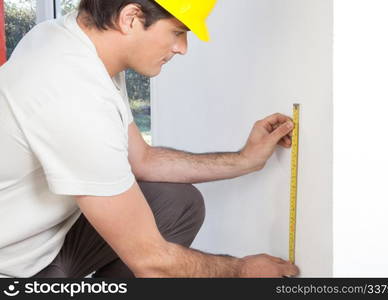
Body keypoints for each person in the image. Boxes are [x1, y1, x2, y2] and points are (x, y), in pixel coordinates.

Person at [0, 0, 299, 278]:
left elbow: (142, 160)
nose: (182, 48)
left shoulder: (74, 41)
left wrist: (245, 160)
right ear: (130, 18)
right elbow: (149, 260)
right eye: (177, 32)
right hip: (15, 269)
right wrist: (242, 271)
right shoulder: (72, 92)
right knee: (152, 258)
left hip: (49, 239)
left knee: (177, 204)